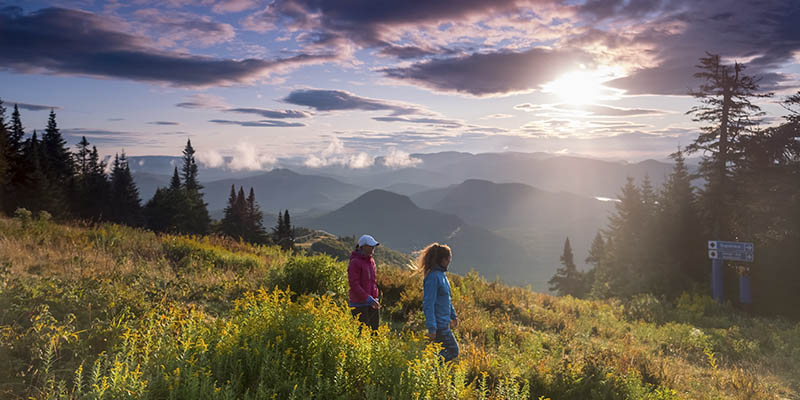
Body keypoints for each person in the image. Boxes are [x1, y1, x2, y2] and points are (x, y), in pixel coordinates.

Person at [420, 243, 459, 362]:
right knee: (453, 350)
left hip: (444, 322)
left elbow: (447, 299)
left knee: (441, 351)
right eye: (448, 259)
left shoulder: (442, 276)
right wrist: (432, 328)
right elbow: (428, 304)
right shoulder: (433, 277)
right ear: (442, 260)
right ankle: (432, 368)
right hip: (439, 325)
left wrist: (453, 315)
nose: (449, 262)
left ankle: (435, 374)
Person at [348, 234, 381, 330]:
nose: (372, 248)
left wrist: (374, 297)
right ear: (363, 247)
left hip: (372, 302)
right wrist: (368, 298)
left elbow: (373, 281)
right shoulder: (355, 262)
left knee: (375, 332)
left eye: (373, 246)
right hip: (359, 304)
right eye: (370, 246)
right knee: (362, 333)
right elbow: (354, 285)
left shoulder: (371, 261)